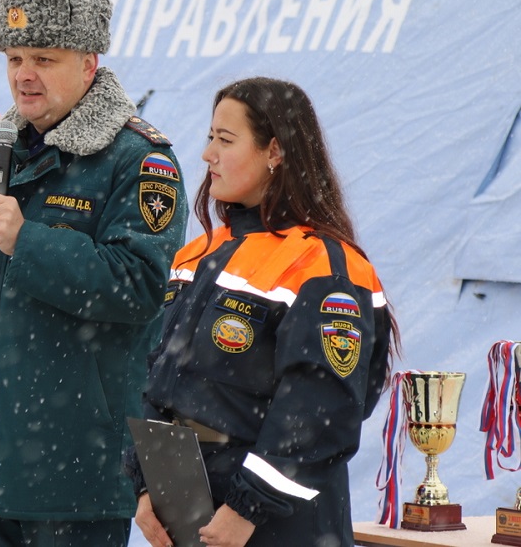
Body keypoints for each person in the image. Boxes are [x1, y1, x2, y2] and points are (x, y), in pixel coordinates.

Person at [0, 0, 188, 547]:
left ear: (89, 64)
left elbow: (141, 287)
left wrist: (30, 241)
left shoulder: (139, 161)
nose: (24, 74)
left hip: (78, 463)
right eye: (15, 56)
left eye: (44, 58)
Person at [129, 77, 400, 547]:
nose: (207, 154)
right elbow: (157, 377)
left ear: (275, 151)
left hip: (277, 522)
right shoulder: (197, 255)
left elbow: (322, 410)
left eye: (225, 140)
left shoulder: (325, 267)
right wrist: (144, 482)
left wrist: (247, 507)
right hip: (189, 504)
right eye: (210, 136)